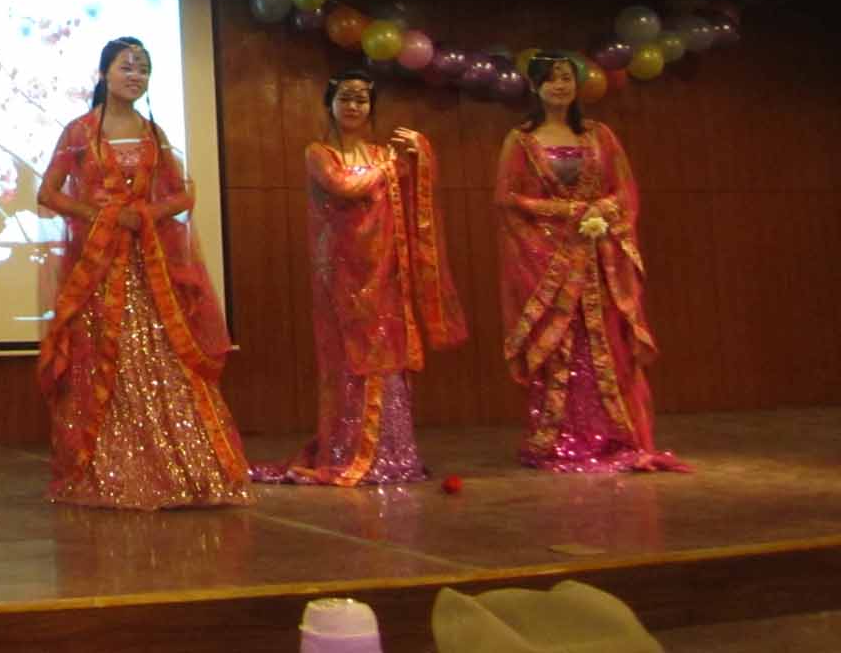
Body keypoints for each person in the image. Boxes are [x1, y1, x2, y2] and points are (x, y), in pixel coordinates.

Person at [36, 37, 249, 509]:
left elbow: (183, 194)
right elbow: (47, 194)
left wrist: (145, 214)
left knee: (162, 361)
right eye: (126, 67)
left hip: (151, 270)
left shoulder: (154, 133)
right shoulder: (79, 132)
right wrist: (101, 215)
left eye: (143, 69)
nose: (135, 76)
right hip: (97, 270)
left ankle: (181, 469)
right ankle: (110, 469)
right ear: (103, 74)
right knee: (102, 361)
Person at [253, 69, 467, 487]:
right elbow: (344, 187)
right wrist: (390, 167)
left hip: (385, 270)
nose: (353, 107)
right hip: (342, 273)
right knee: (347, 358)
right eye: (346, 98)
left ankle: (392, 453)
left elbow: (411, 193)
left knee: (388, 354)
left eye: (362, 100)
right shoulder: (319, 153)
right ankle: (348, 449)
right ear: (330, 103)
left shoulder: (380, 154)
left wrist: (420, 156)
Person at [495, 53, 689, 472]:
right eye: (551, 79)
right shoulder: (521, 140)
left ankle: (616, 435)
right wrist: (569, 215)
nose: (560, 86)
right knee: (559, 347)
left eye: (566, 78)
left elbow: (624, 192)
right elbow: (509, 201)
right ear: (536, 87)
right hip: (551, 263)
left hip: (600, 261)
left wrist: (601, 212)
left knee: (610, 345)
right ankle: (560, 438)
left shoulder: (600, 136)